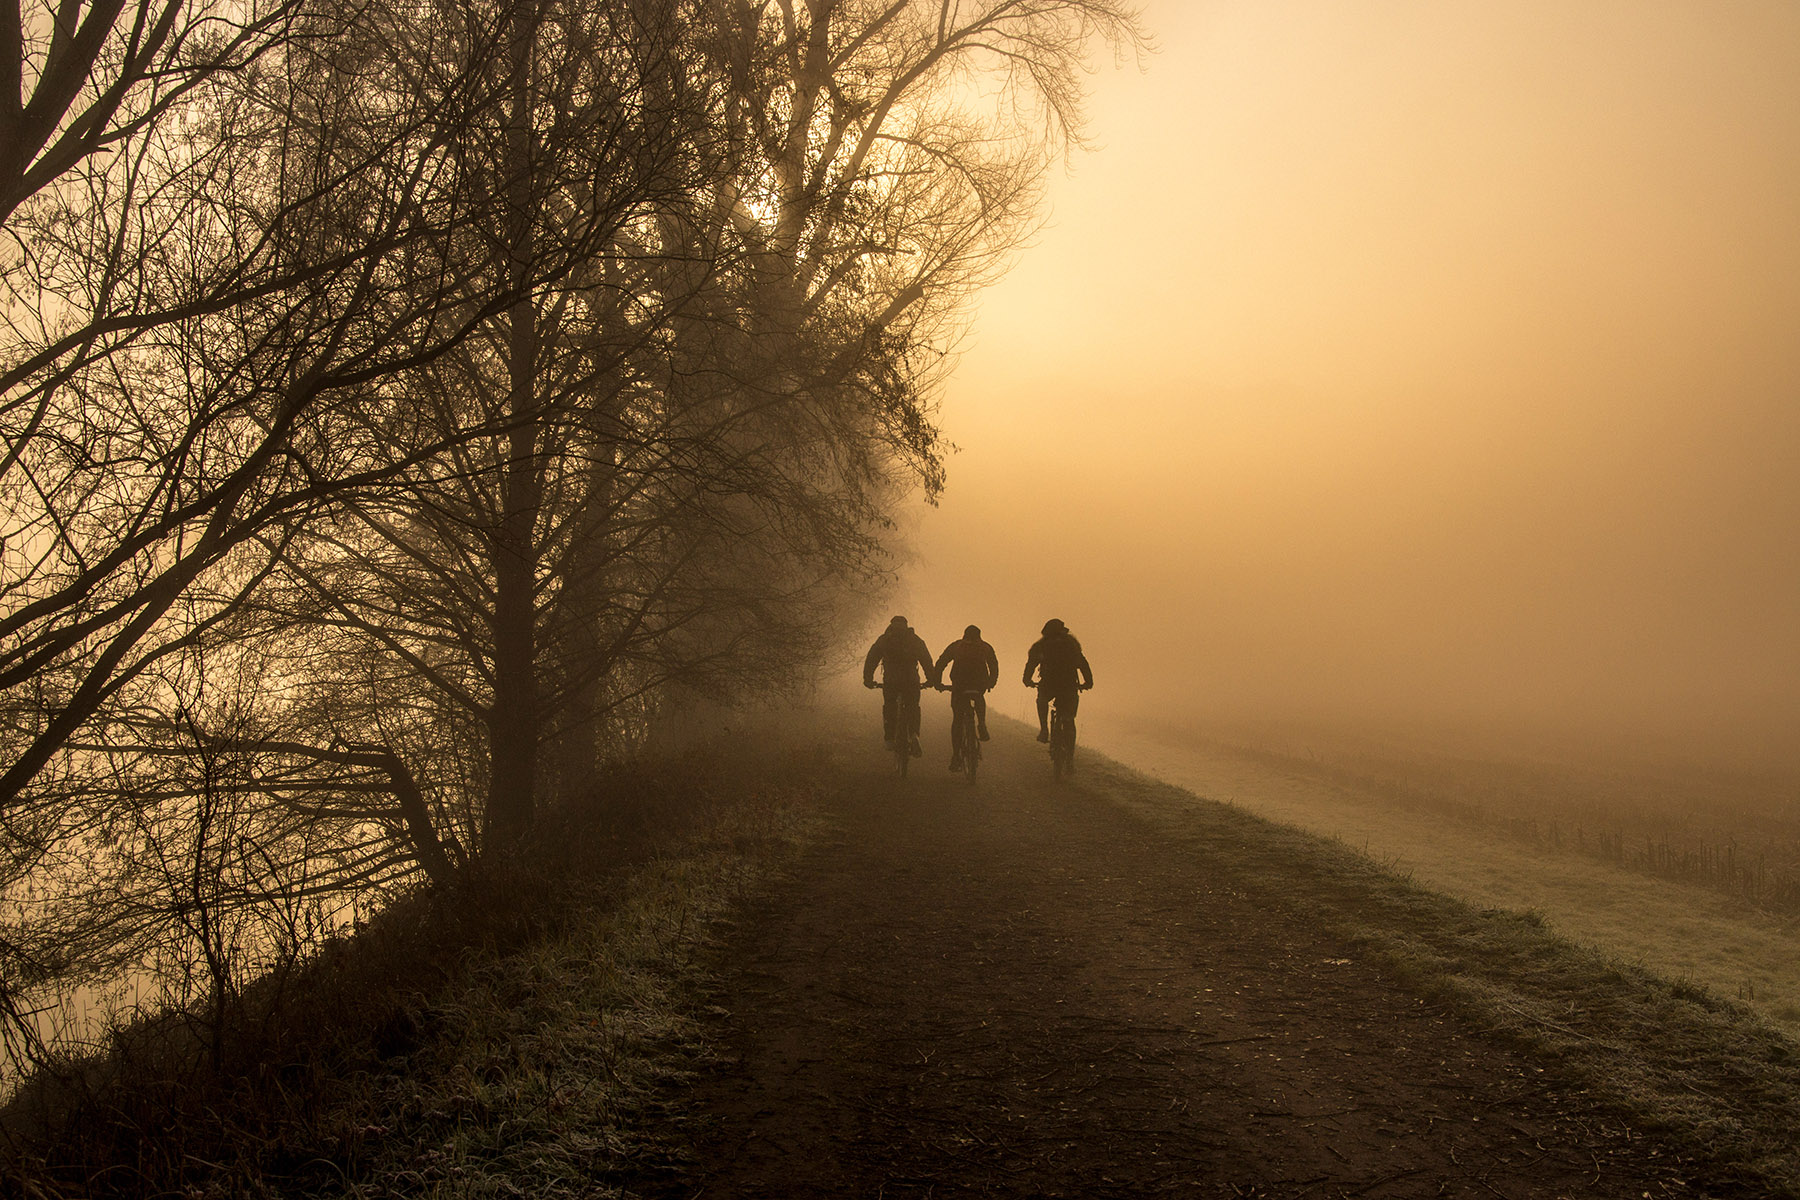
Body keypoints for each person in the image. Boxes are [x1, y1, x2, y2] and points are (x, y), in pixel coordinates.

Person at [862, 615, 934, 756]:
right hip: (911, 681)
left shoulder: (884, 640)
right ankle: (914, 734)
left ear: (891, 625)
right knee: (913, 706)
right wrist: (931, 679)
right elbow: (926, 659)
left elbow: (872, 658)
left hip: (891, 681)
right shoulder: (915, 640)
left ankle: (889, 739)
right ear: (907, 626)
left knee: (890, 706)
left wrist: (868, 679)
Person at [933, 624, 999, 771]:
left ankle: (956, 756)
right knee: (979, 698)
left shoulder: (956, 646)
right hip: (979, 684)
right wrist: (991, 683)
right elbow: (994, 665)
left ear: (964, 635)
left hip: (959, 686)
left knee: (957, 719)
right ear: (979, 636)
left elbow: (941, 662)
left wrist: (937, 682)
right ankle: (981, 723)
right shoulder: (985, 647)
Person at [1022, 618, 1093, 746]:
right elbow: (1082, 664)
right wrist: (1088, 682)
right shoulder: (1072, 644)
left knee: (1042, 700)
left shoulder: (1041, 645)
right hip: (1069, 686)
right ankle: (1069, 759)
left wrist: (1027, 680)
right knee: (1069, 719)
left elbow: (1031, 664)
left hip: (1048, 685)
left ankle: (1044, 729)